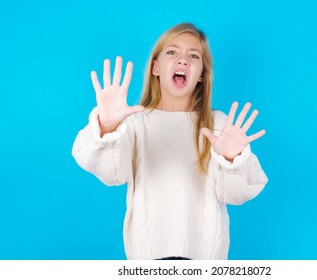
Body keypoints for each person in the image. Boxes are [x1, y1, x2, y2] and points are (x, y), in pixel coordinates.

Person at [72, 22, 268, 260]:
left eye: (193, 56)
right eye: (172, 52)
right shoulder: (135, 123)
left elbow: (236, 195)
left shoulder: (220, 125)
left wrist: (231, 159)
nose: (183, 60)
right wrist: (108, 125)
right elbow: (111, 174)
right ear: (155, 67)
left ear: (202, 75)